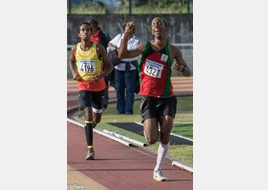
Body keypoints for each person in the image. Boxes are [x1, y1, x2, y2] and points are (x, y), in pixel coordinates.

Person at [118, 17, 192, 181]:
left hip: (167, 97)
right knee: (152, 139)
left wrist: (181, 68)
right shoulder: (145, 47)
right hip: (149, 98)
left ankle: (157, 169)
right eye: (153, 25)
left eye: (159, 24)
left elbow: (188, 72)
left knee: (165, 136)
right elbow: (122, 54)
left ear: (166, 29)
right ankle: (149, 126)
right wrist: (126, 35)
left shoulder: (172, 50)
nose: (156, 26)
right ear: (152, 31)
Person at [69, 22, 113, 160]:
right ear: (79, 33)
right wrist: (74, 72)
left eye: (88, 30)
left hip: (98, 88)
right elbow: (71, 62)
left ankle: (91, 125)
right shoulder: (75, 49)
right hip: (84, 86)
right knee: (87, 115)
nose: (85, 32)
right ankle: (90, 149)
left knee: (96, 118)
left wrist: (101, 76)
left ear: (91, 33)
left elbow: (109, 66)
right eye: (82, 30)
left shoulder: (98, 48)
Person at [108, 24, 142, 115]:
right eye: (127, 29)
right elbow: (110, 44)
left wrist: (121, 51)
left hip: (130, 67)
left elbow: (130, 52)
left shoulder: (136, 40)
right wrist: (116, 48)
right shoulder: (119, 37)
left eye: (131, 29)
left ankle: (128, 110)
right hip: (118, 67)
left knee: (130, 89)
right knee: (119, 89)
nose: (129, 30)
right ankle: (120, 109)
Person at [88, 19, 112, 111]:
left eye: (90, 25)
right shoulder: (88, 35)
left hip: (102, 63)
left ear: (94, 25)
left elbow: (109, 45)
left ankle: (104, 102)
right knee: (89, 81)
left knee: (103, 82)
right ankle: (89, 102)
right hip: (90, 63)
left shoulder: (102, 35)